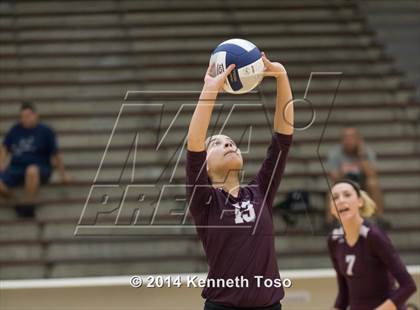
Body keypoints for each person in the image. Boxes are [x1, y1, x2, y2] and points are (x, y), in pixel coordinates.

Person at [186, 52, 294, 310]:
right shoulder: (205, 201)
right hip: (223, 306)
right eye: (218, 143)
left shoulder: (261, 192)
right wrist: (209, 89)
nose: (228, 143)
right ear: (206, 165)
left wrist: (281, 76)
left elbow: (283, 138)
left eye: (231, 142)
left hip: (270, 306)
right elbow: (194, 145)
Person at [328, 179, 417, 310]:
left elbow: (408, 286)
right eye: (335, 197)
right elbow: (344, 293)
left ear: (360, 202)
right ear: (331, 209)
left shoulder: (373, 236)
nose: (341, 200)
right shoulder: (334, 240)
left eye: (347, 195)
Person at [0, 102, 71, 217]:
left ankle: (28, 206)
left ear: (35, 115)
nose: (24, 119)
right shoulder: (15, 129)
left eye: (27, 116)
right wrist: (1, 165)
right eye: (22, 117)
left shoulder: (46, 131)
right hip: (16, 168)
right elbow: (4, 148)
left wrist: (63, 174)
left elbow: (56, 154)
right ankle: (16, 202)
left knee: (31, 170)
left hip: (40, 167)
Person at [325, 127, 390, 228]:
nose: (348, 141)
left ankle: (379, 218)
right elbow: (333, 177)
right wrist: (342, 172)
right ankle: (329, 222)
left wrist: (362, 156)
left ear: (358, 139)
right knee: (332, 187)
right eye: (345, 138)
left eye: (351, 137)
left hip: (363, 184)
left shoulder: (366, 152)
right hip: (343, 184)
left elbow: (372, 174)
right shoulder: (335, 153)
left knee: (373, 183)